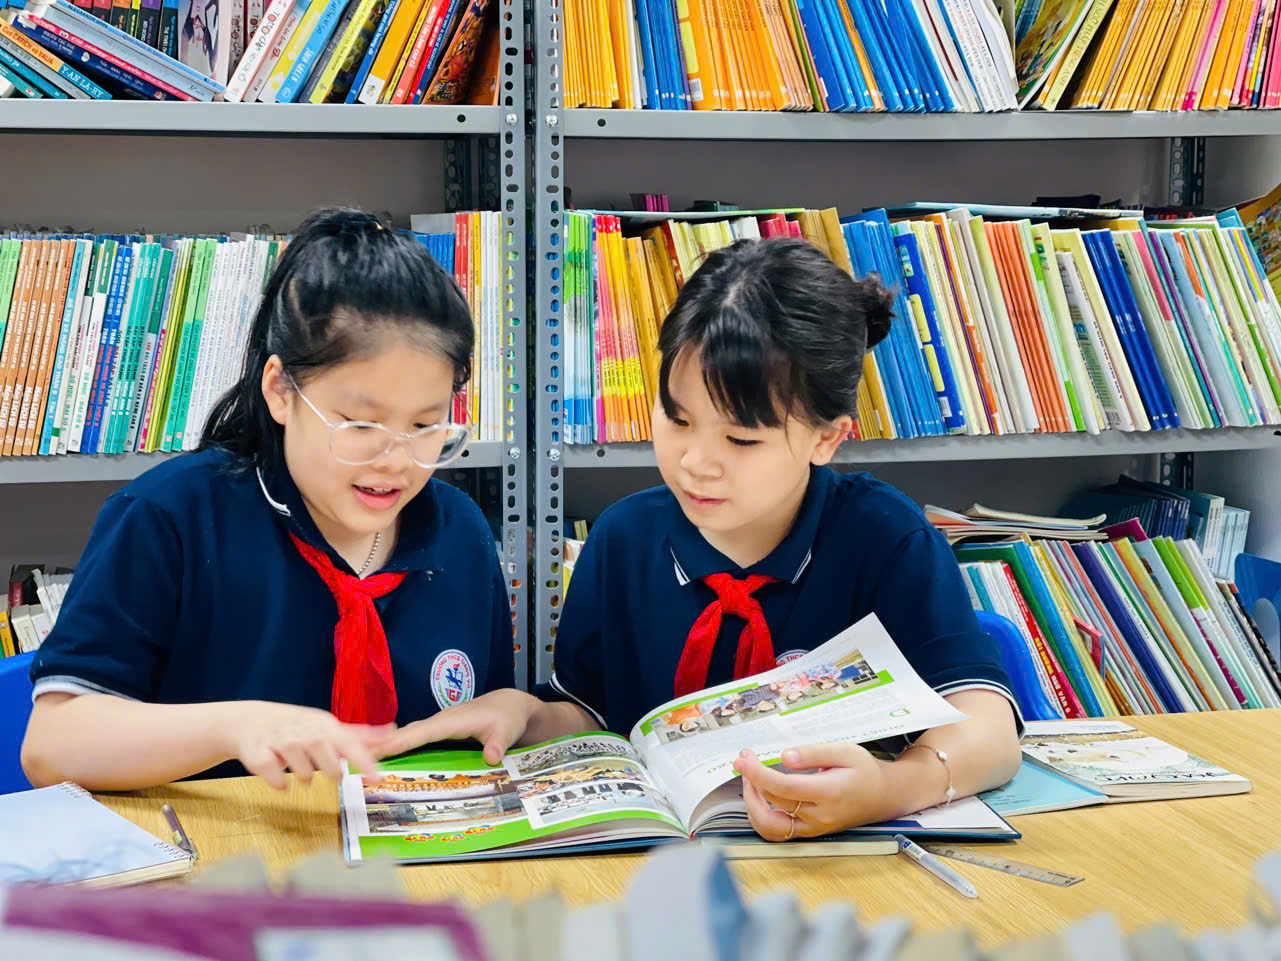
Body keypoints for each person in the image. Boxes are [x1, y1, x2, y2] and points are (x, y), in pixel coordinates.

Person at [382, 236, 1023, 841]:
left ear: (827, 438)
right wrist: (525, 714)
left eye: (741, 440)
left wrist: (890, 787)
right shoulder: (625, 539)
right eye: (678, 417)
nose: (697, 461)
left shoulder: (885, 539)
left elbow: (992, 731)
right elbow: (592, 714)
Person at [21, 207, 517, 792]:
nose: (396, 461)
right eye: (359, 425)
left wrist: (518, 711)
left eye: (427, 426)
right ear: (281, 390)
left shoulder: (458, 530)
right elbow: (51, 747)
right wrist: (235, 727)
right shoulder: (171, 517)